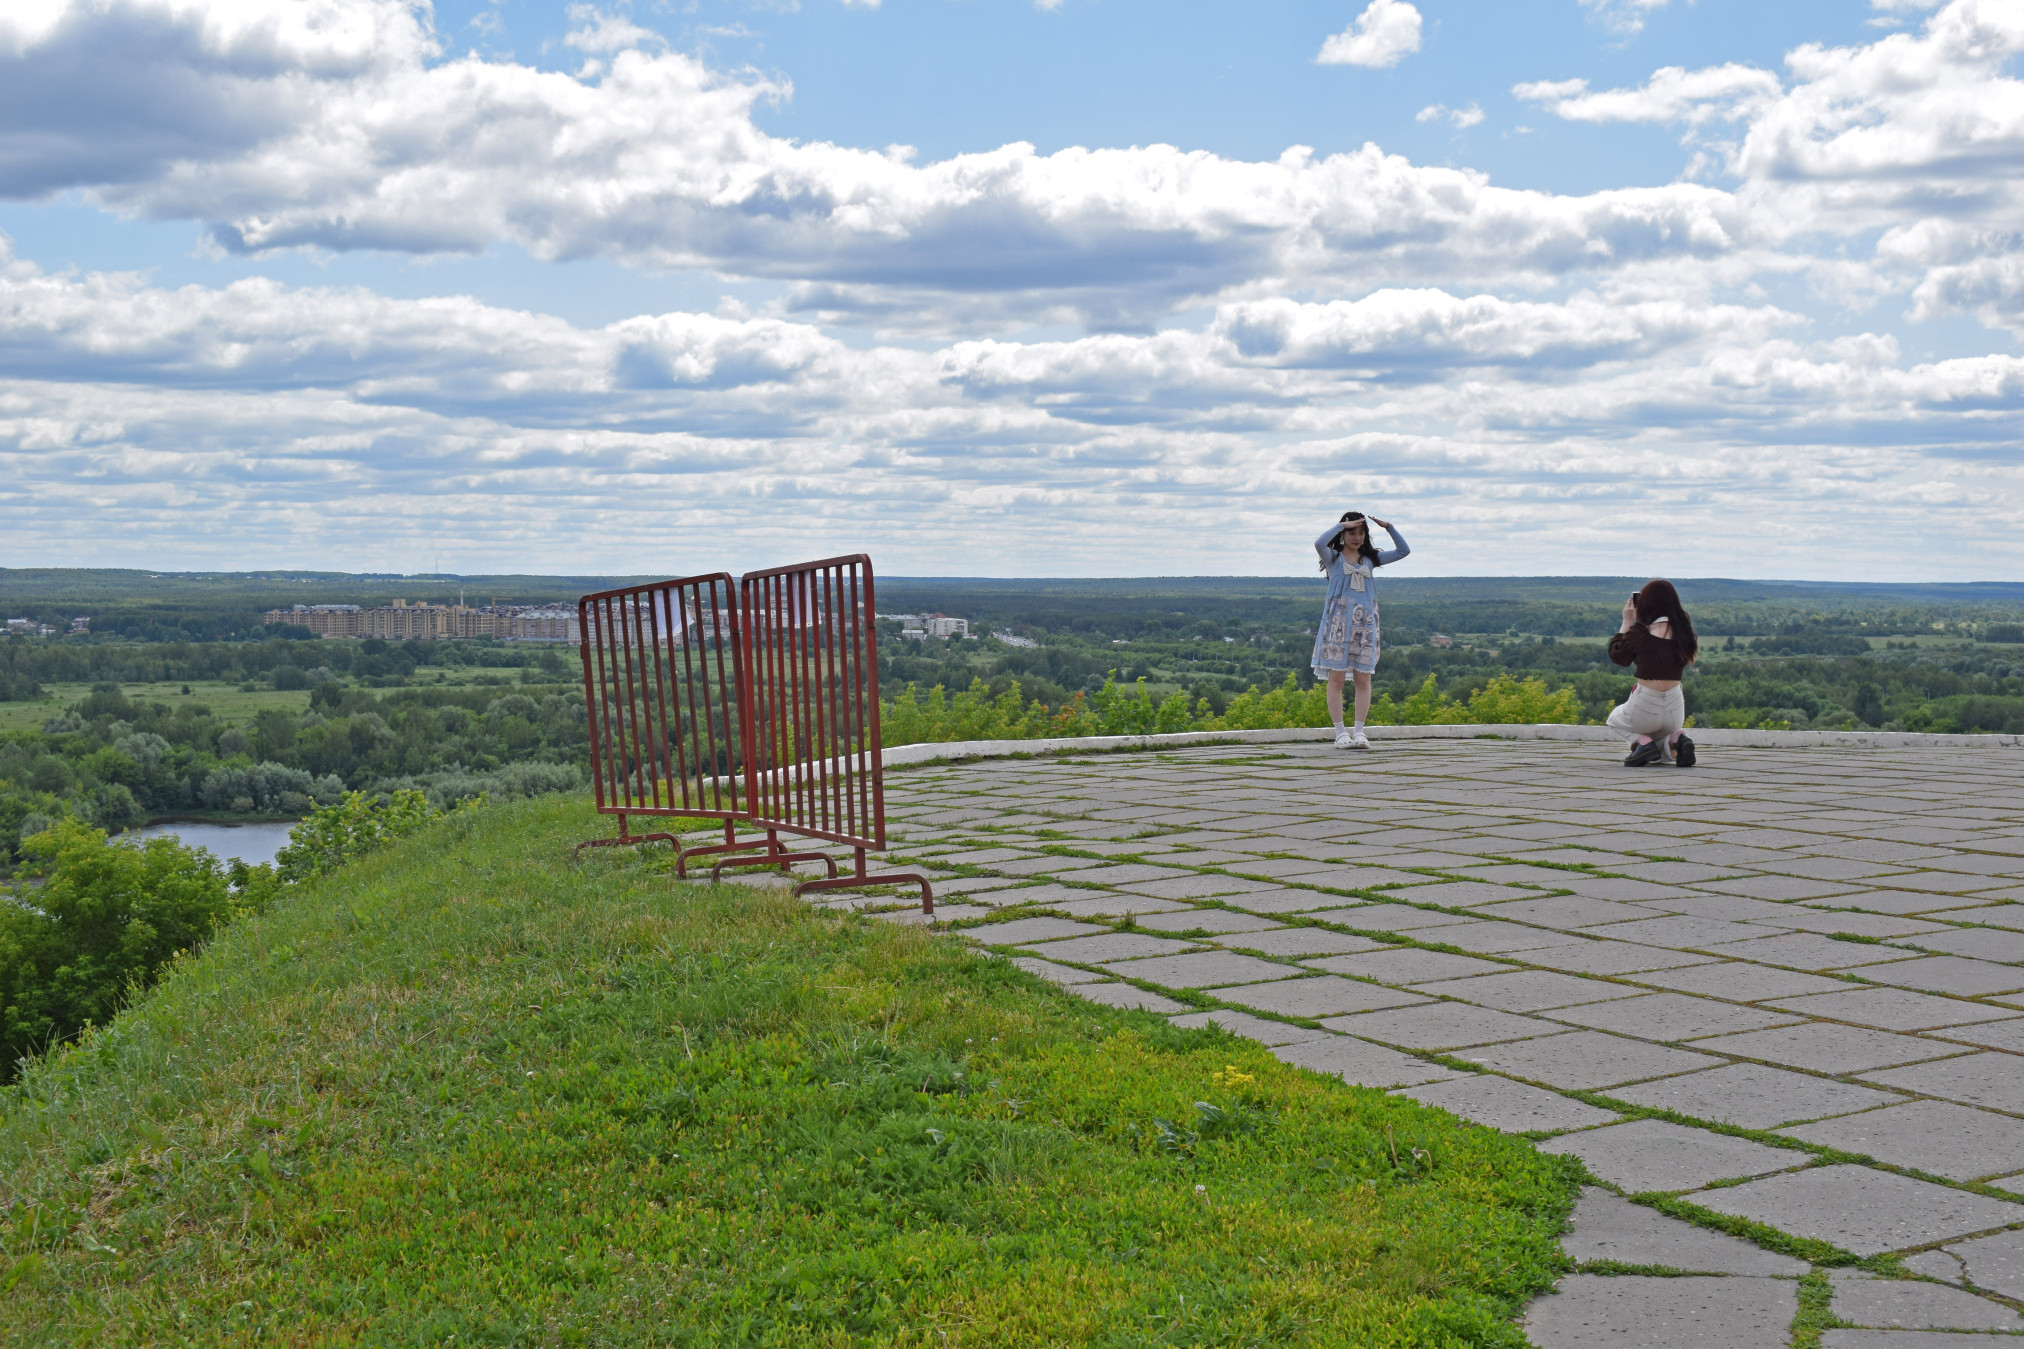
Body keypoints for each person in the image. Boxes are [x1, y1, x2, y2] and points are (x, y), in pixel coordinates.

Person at [1312, 511, 1410, 750]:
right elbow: (1319, 543)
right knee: (1336, 678)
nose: (1357, 537)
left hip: (1364, 628)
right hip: (1337, 627)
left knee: (1363, 679)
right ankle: (1340, 733)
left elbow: (1403, 551)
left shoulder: (1370, 559)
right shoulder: (1334, 558)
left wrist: (1389, 527)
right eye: (1351, 532)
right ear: (1343, 533)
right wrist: (1339, 524)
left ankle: (1359, 732)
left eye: (1361, 532)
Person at [1607, 579, 1699, 767]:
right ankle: (1676, 737)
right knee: (1659, 733)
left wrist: (1627, 621)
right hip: (1675, 709)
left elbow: (1618, 656)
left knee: (1614, 718)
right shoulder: (1685, 632)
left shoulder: (1641, 633)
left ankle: (1642, 743)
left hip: (1645, 704)